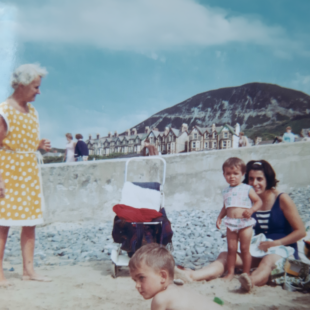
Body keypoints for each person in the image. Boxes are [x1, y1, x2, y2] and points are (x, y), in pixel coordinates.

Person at [175, 160, 306, 292]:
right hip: (258, 247)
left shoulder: (281, 198)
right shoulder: (245, 195)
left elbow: (300, 232)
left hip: (282, 248)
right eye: (251, 179)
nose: (255, 183)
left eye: (259, 179)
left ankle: (250, 282)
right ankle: (192, 275)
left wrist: (275, 244)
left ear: (268, 179)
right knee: (225, 256)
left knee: (268, 261)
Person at [0, 63, 52, 287]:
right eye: (35, 87)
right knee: (2, 224)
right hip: (8, 172)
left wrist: (39, 144)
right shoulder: (4, 111)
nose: (39, 92)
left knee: (30, 222)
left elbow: (23, 142)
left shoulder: (33, 112)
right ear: (21, 85)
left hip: (29, 171)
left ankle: (28, 270)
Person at [129, 243, 223, 310]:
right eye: (135, 280)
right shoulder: (180, 289)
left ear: (163, 276)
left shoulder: (160, 299)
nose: (137, 285)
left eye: (141, 278)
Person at [216, 158, 262, 280]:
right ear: (224, 174)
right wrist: (220, 217)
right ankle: (230, 273)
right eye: (228, 174)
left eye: (235, 174)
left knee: (244, 248)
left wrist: (251, 210)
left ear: (242, 174)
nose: (232, 177)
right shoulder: (226, 191)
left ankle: (246, 273)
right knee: (231, 248)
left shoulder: (247, 188)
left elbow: (258, 201)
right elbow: (226, 206)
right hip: (231, 223)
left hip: (245, 223)